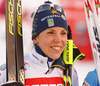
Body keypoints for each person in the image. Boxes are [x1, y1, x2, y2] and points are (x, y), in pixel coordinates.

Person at [0, 1, 79, 86]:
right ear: (35, 38)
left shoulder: (69, 72)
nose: (58, 39)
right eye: (50, 33)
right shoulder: (11, 69)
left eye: (63, 33)